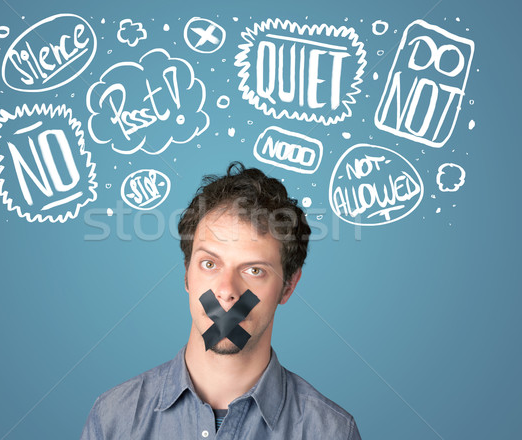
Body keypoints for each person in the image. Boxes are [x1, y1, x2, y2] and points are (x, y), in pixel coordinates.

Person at [81, 162, 361, 439]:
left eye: (254, 271)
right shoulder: (114, 419)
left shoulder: (330, 432)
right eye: (209, 264)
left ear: (287, 286)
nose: (227, 291)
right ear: (187, 274)